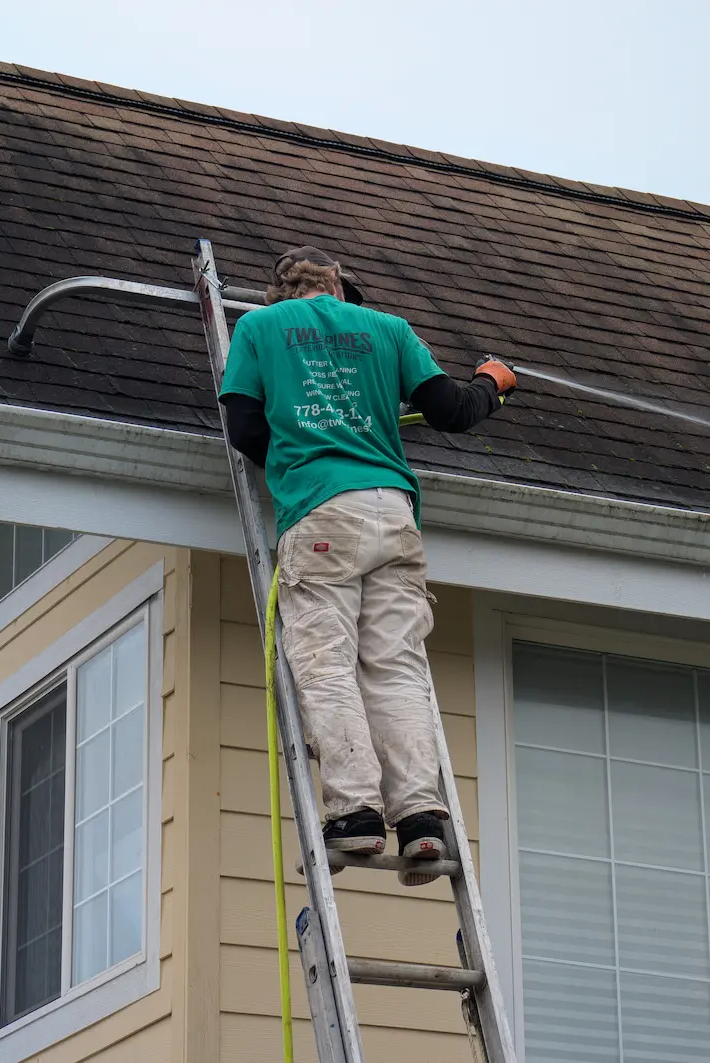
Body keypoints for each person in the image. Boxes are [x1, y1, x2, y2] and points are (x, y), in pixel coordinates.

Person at [219, 247, 516, 886]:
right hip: (394, 513)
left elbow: (243, 425)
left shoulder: (258, 329)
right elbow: (453, 411)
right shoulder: (389, 330)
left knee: (328, 664)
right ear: (343, 292)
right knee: (397, 669)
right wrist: (495, 379)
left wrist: (301, 453)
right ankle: (421, 822)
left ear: (280, 294)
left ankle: (354, 815)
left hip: (321, 514)